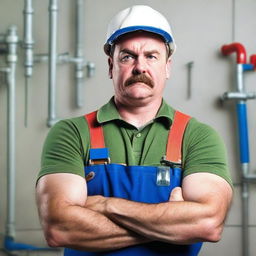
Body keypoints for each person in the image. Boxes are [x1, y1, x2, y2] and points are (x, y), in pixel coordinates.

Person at [36, 5, 233, 256]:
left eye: (151, 56)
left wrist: (106, 205)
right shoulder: (71, 133)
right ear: (111, 66)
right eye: (127, 56)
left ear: (168, 66)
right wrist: (172, 226)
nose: (140, 67)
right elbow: (59, 228)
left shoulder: (198, 137)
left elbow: (208, 224)